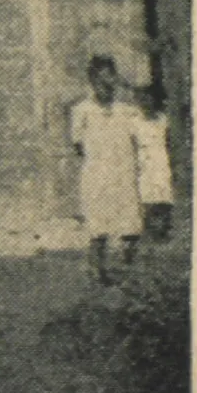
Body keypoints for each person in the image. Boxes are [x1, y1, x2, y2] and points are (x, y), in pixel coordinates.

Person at [70, 56, 143, 285]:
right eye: (101, 79)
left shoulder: (127, 111)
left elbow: (139, 139)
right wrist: (99, 162)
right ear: (92, 81)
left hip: (123, 172)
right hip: (97, 174)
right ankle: (98, 271)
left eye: (110, 78)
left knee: (130, 227)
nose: (106, 85)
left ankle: (129, 271)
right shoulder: (82, 110)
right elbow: (78, 144)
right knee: (98, 227)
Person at [134, 88, 174, 241]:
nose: (146, 103)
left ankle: (163, 229)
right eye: (143, 99)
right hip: (144, 158)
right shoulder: (135, 122)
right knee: (146, 195)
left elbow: (168, 141)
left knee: (163, 194)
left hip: (160, 157)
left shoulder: (163, 120)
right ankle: (149, 230)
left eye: (149, 99)